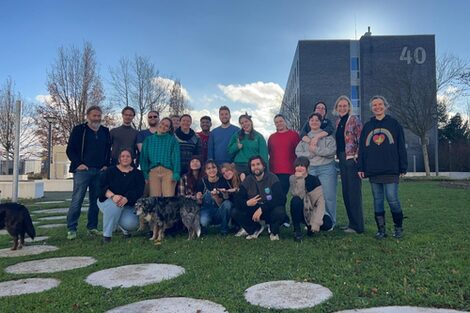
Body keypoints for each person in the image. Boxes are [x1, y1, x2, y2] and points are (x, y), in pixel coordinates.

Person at [358, 95, 407, 239]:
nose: (377, 107)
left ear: (385, 106)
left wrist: (403, 166)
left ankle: (398, 228)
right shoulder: (367, 126)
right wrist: (361, 167)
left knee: (392, 198)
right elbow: (362, 149)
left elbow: (401, 147)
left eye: (380, 104)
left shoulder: (394, 124)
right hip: (373, 170)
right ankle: (381, 230)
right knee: (377, 200)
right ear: (371, 108)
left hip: (391, 169)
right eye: (374, 105)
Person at [65, 105, 111, 240]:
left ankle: (92, 227)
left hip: (99, 171)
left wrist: (106, 165)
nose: (97, 118)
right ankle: (72, 228)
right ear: (88, 116)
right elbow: (70, 149)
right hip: (82, 172)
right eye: (94, 115)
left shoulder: (105, 131)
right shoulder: (79, 130)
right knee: (77, 199)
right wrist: (78, 164)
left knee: (95, 201)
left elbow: (108, 150)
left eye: (98, 116)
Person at [295, 112, 337, 228]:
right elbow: (298, 153)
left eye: (317, 120)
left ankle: (331, 222)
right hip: (311, 169)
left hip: (327, 168)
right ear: (309, 122)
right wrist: (312, 153)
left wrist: (316, 149)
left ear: (320, 122)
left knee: (328, 195)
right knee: (310, 196)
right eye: (312, 120)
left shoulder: (328, 138)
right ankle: (310, 220)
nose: (314, 122)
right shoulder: (304, 139)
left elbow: (331, 152)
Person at [233, 155, 286, 241]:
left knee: (279, 211)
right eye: (253, 165)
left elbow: (280, 198)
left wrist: (262, 208)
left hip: (269, 209)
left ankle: (273, 231)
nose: (256, 167)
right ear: (250, 168)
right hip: (253, 210)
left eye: (258, 164)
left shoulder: (273, 178)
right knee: (235, 211)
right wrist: (247, 203)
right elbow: (237, 199)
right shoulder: (248, 180)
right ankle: (254, 229)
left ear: (263, 166)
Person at [97, 149, 145, 242]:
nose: (125, 158)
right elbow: (101, 187)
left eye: (128, 156)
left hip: (127, 204)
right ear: (119, 159)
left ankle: (121, 226)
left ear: (132, 159)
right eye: (123, 156)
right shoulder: (110, 171)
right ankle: (107, 236)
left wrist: (127, 198)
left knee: (131, 223)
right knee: (115, 206)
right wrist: (113, 196)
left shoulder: (138, 174)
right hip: (109, 200)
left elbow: (139, 191)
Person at [334, 95, 364, 234]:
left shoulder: (354, 120)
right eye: (340, 106)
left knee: (354, 193)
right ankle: (351, 223)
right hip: (341, 158)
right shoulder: (338, 121)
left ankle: (358, 226)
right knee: (346, 192)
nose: (342, 108)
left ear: (349, 107)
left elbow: (361, 140)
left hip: (352, 160)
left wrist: (357, 159)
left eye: (345, 105)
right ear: (336, 108)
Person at [289, 157, 333, 242]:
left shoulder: (314, 180)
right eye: (297, 166)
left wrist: (316, 223)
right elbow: (299, 195)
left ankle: (311, 227)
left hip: (312, 211)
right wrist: (300, 179)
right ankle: (297, 230)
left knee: (328, 224)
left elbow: (320, 202)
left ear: (307, 167)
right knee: (295, 200)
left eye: (302, 166)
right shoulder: (292, 178)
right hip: (300, 210)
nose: (299, 168)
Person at [140, 117, 181, 197]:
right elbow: (144, 158)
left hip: (168, 172)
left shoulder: (172, 140)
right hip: (153, 172)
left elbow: (176, 158)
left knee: (168, 199)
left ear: (169, 129)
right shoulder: (148, 140)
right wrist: (145, 172)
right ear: (159, 123)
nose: (163, 126)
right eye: (162, 123)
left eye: (166, 126)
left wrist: (176, 173)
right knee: (154, 199)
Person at [196, 160, 232, 235]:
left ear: (217, 169)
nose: (211, 170)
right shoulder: (202, 182)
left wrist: (216, 197)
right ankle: (204, 229)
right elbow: (199, 203)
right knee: (204, 221)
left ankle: (224, 230)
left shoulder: (223, 181)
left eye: (213, 167)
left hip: (219, 211)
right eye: (208, 168)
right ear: (205, 171)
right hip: (206, 210)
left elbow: (224, 205)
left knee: (228, 204)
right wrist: (198, 198)